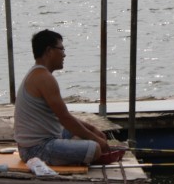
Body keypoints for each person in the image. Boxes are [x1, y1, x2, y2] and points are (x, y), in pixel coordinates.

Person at [14, 29, 111, 165]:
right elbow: (65, 118)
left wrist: (93, 130)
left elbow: (65, 117)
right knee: (94, 149)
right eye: (61, 49)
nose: (64, 54)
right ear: (49, 51)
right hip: (35, 149)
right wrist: (97, 140)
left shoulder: (39, 74)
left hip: (41, 140)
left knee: (84, 134)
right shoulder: (43, 78)